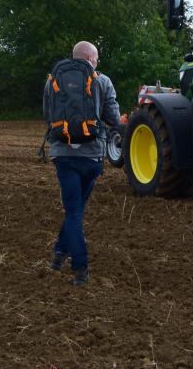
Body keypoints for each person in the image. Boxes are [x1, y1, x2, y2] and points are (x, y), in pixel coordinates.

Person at [45, 41, 121, 286]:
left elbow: (48, 116)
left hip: (63, 155)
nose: (97, 63)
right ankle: (79, 266)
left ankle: (59, 255)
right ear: (90, 57)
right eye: (96, 59)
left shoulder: (52, 81)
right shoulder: (102, 81)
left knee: (73, 210)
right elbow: (112, 118)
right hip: (92, 157)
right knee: (76, 210)